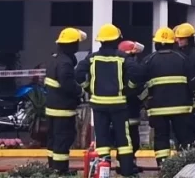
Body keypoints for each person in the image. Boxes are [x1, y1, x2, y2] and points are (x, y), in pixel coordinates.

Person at [75, 24, 140, 176]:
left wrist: (88, 88)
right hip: (119, 104)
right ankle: (126, 171)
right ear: (116, 40)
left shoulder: (92, 58)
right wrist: (128, 89)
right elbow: (136, 73)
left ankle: (103, 172)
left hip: (99, 105)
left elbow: (78, 73)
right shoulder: (122, 57)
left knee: (102, 138)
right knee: (123, 140)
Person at [140, 27, 194, 166]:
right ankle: (186, 165)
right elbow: (192, 82)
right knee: (183, 137)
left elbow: (140, 85)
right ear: (173, 42)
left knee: (161, 137)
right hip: (181, 108)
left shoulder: (148, 60)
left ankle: (163, 165)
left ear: (157, 43)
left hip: (158, 109)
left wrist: (145, 101)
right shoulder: (183, 58)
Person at [45, 27, 87, 174]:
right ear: (71, 44)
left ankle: (52, 168)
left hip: (52, 108)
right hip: (62, 110)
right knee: (63, 140)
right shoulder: (65, 63)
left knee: (53, 140)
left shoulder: (55, 59)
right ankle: (61, 170)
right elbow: (67, 83)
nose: (77, 46)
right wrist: (80, 91)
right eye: (76, 43)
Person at [117, 40, 146, 173]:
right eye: (133, 55)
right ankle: (127, 165)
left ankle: (128, 164)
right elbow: (135, 87)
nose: (135, 58)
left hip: (128, 109)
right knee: (130, 140)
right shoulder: (128, 68)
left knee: (130, 139)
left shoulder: (122, 67)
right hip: (127, 108)